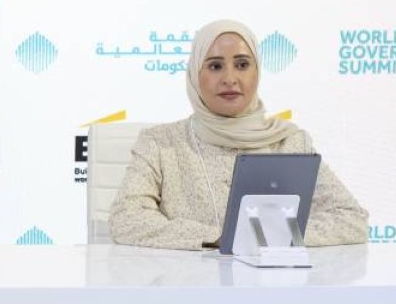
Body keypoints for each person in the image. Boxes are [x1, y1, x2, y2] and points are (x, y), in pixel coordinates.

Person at [109, 19, 368, 250]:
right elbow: (126, 219)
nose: (230, 78)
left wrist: (269, 236)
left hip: (272, 285)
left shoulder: (289, 142)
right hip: (189, 285)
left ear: (257, 72)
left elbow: (352, 219)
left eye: (242, 65)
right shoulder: (160, 143)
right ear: (195, 74)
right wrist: (221, 238)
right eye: (215, 66)